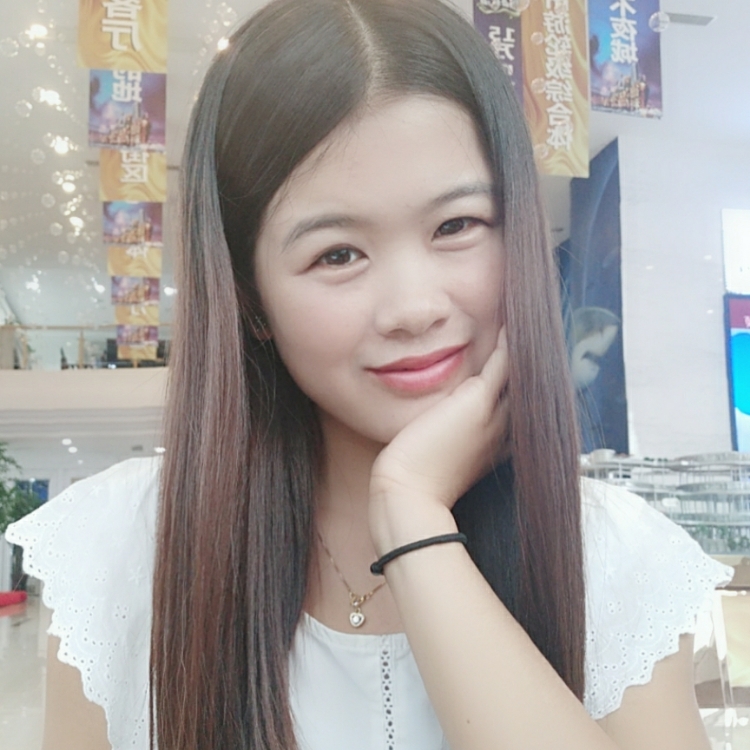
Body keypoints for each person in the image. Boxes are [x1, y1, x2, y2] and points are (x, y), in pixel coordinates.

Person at [7, 1, 732, 749]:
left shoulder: (615, 556)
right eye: (337, 254)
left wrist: (414, 518)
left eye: (457, 225)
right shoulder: (124, 549)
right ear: (251, 299)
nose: (414, 308)